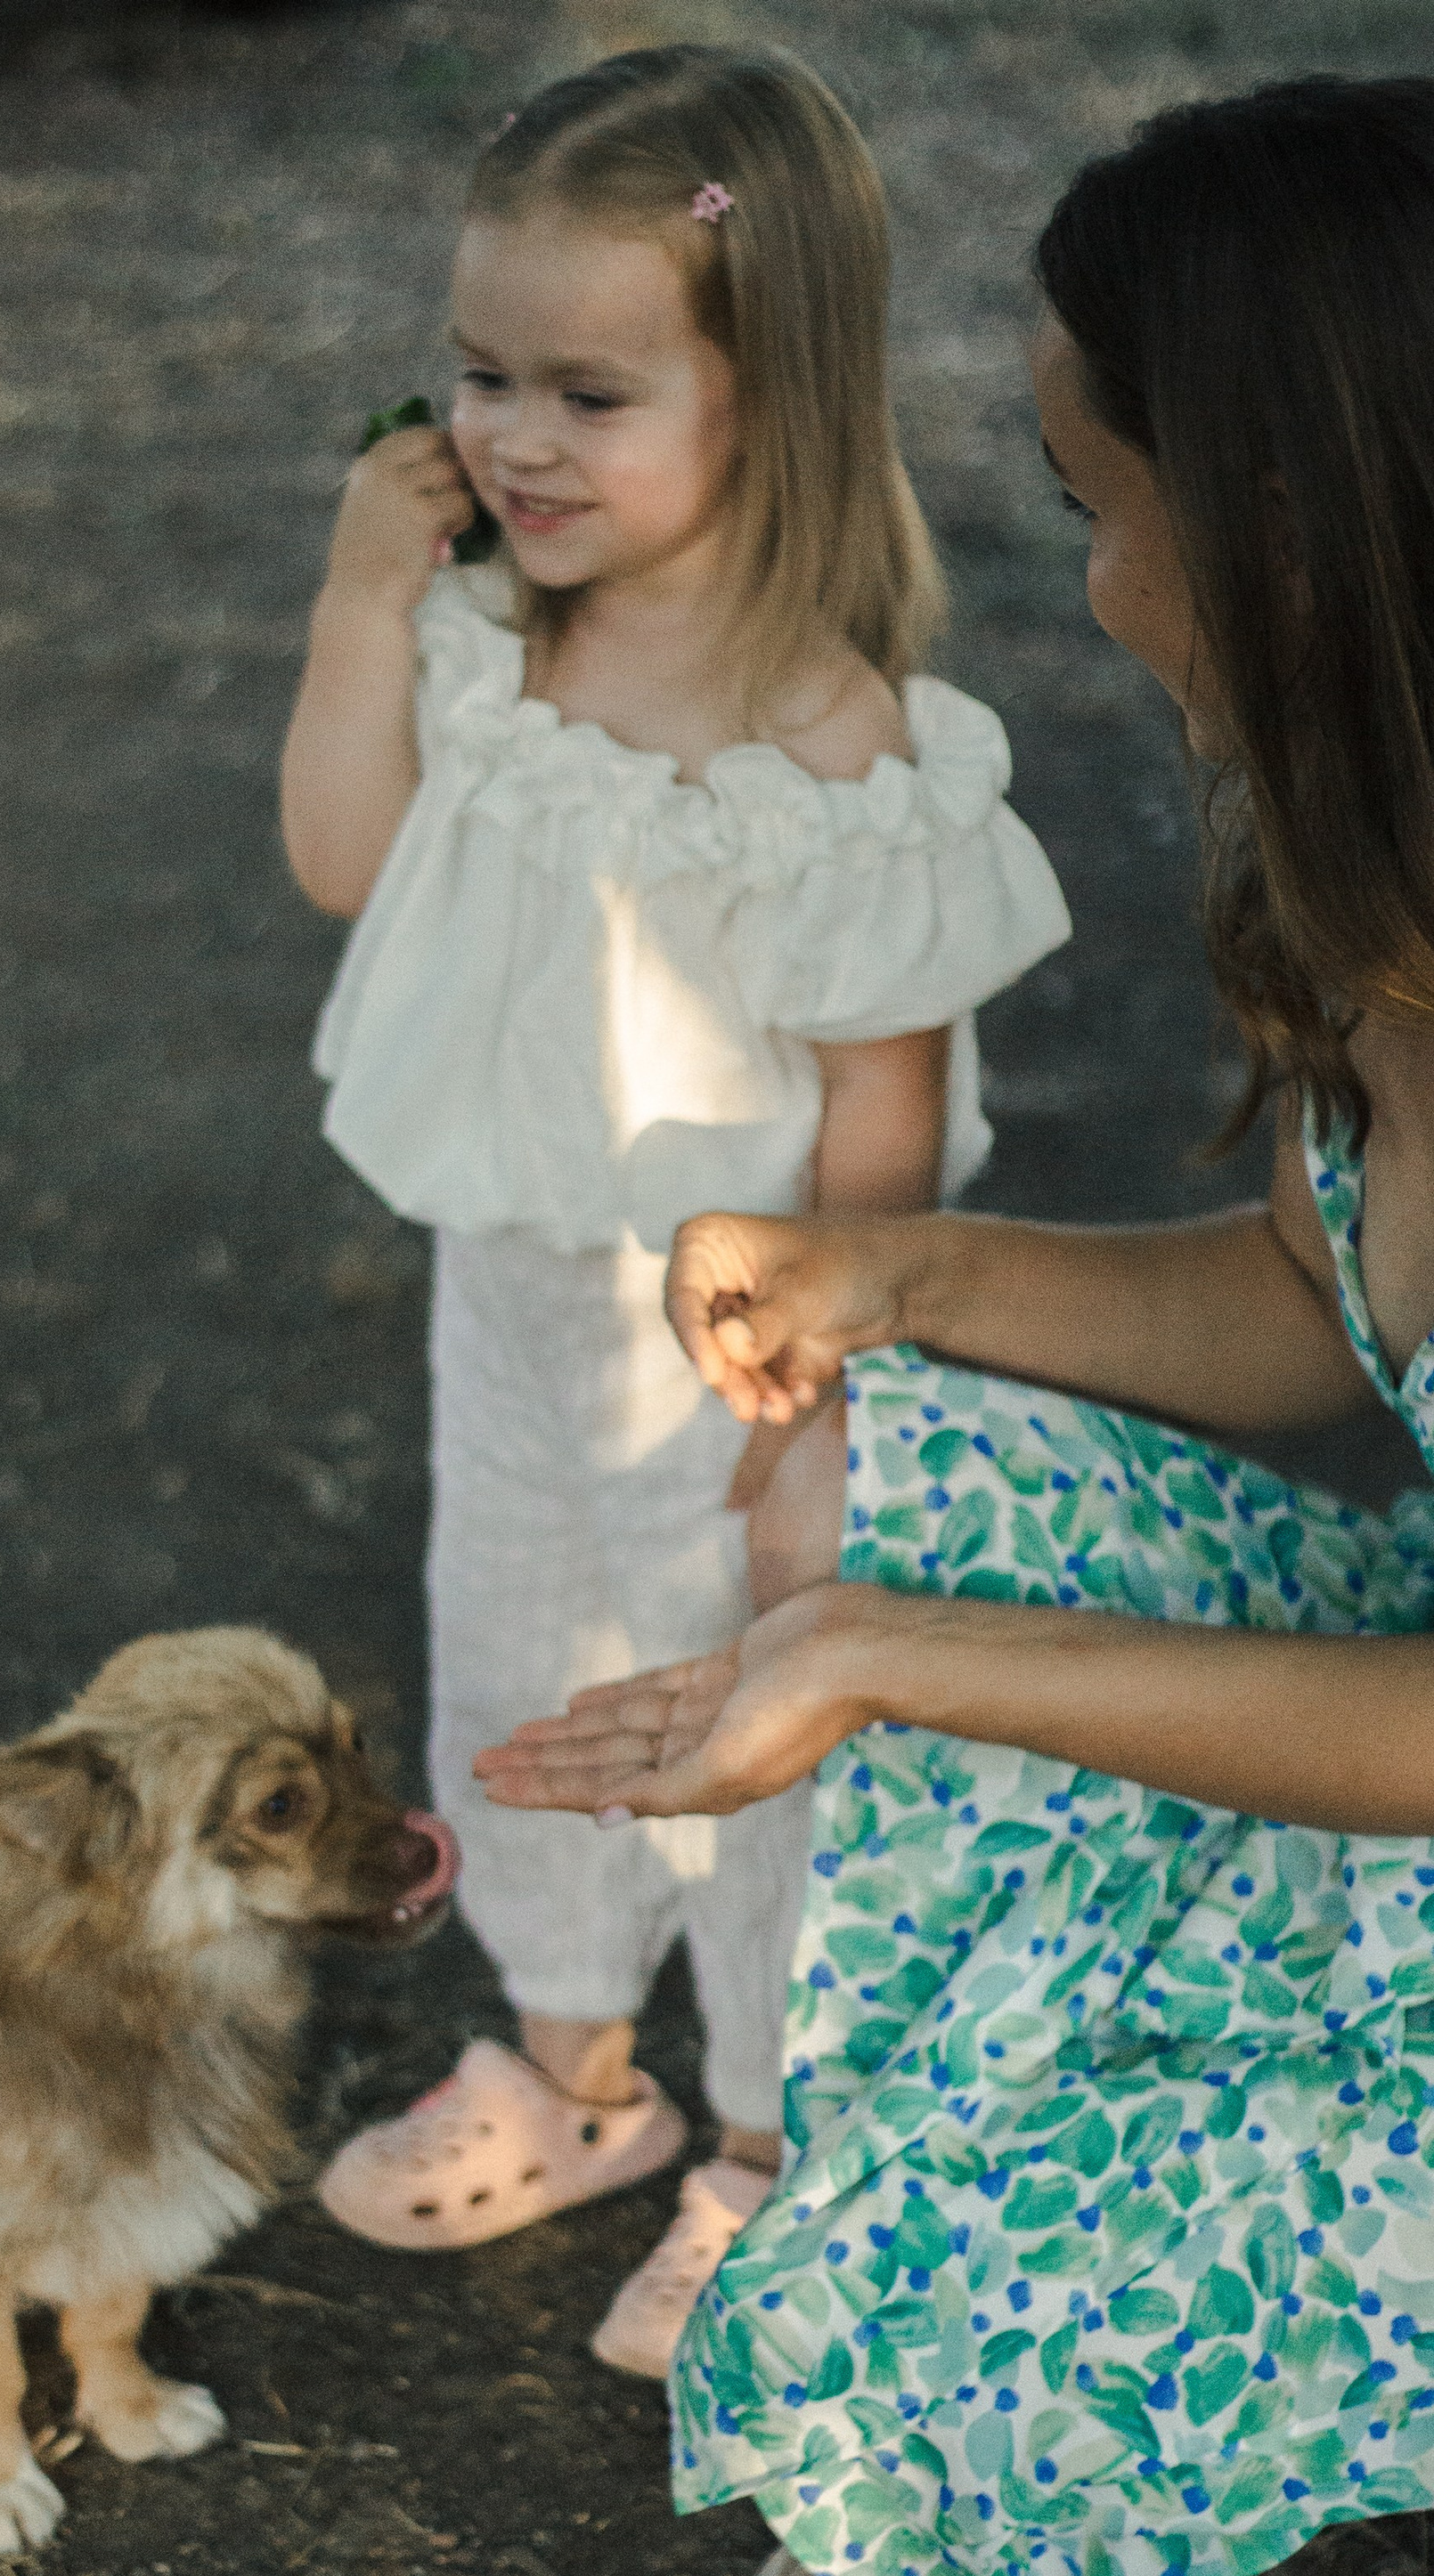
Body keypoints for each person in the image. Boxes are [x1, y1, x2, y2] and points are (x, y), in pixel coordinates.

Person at [477, 72, 1434, 2576]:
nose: (1093, 574)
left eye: (1105, 499)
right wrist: (910, 1274)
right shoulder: (1393, 897)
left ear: (1309, 533)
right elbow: (1323, 1308)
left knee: (953, 2427)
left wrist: (892, 1660)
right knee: (880, 1469)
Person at [280, 45, 1068, 2361]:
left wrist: (830, 1377)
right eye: (484, 375)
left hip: (730, 1352)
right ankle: (576, 2064)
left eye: (592, 391)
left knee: (741, 1717)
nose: (514, 437)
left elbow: (886, 1105)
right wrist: (354, 600)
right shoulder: (489, 650)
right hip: (508, 1295)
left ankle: (766, 2140)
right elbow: (345, 865)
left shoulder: (831, 750)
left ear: (771, 395)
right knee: (516, 1660)